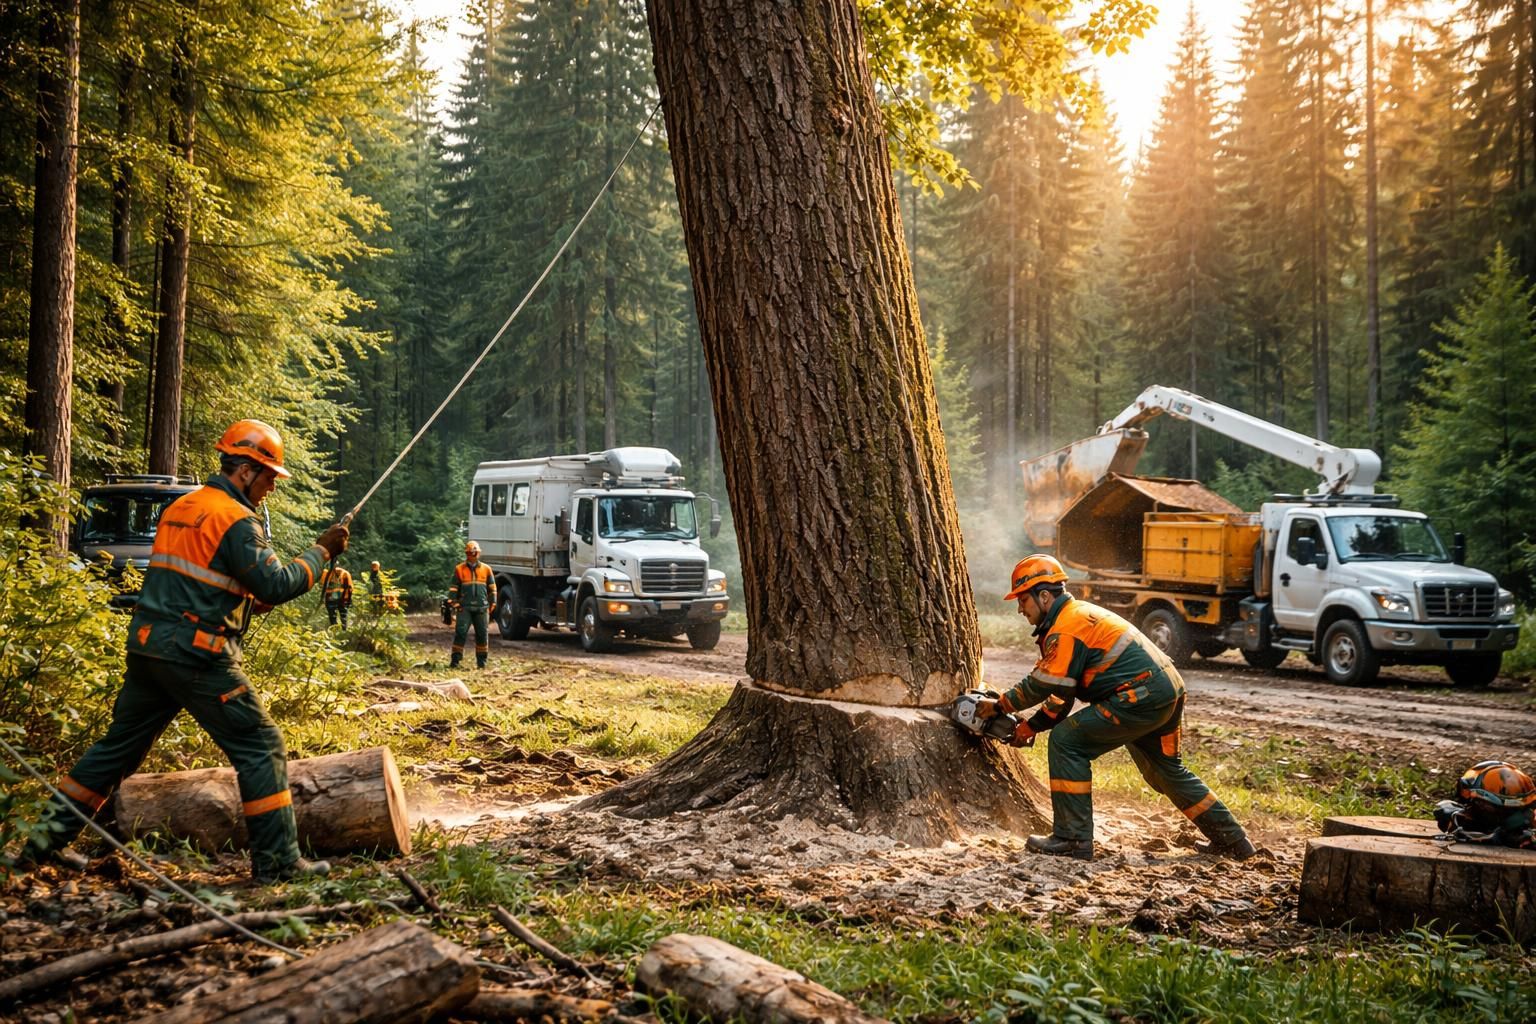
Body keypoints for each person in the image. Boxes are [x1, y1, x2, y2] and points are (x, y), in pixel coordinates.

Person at [18, 420, 349, 883]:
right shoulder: (237, 520)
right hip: (196, 655)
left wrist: (246, 597)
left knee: (116, 751)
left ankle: (38, 847)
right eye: (270, 477)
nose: (272, 488)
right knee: (261, 745)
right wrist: (321, 552)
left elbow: (199, 577)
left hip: (150, 650)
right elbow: (277, 581)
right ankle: (278, 863)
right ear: (246, 470)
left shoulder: (185, 506)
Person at [978, 554, 1255, 862]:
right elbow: (1060, 696)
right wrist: (1030, 726)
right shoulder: (1076, 615)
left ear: (1044, 596)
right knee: (1166, 771)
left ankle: (1072, 838)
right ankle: (1233, 841)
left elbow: (1041, 685)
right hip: (1166, 690)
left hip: (1140, 696)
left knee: (1067, 742)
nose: (1019, 608)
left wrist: (1000, 705)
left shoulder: (1066, 627)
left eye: (1022, 599)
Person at [449, 541, 496, 669]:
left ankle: (482, 663)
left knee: (482, 634)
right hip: (465, 607)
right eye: (470, 553)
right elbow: (453, 588)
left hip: (482, 608)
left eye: (475, 553)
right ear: (467, 553)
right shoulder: (459, 568)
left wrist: (493, 602)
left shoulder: (487, 569)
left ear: (479, 553)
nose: (473, 555)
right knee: (461, 632)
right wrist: (454, 602)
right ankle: (455, 662)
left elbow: (492, 588)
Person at [324, 559, 354, 627]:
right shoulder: (327, 574)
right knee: (333, 616)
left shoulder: (345, 574)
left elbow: (350, 588)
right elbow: (323, 587)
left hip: (342, 599)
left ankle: (343, 631)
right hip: (332, 599)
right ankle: (335, 630)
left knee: (342, 616)